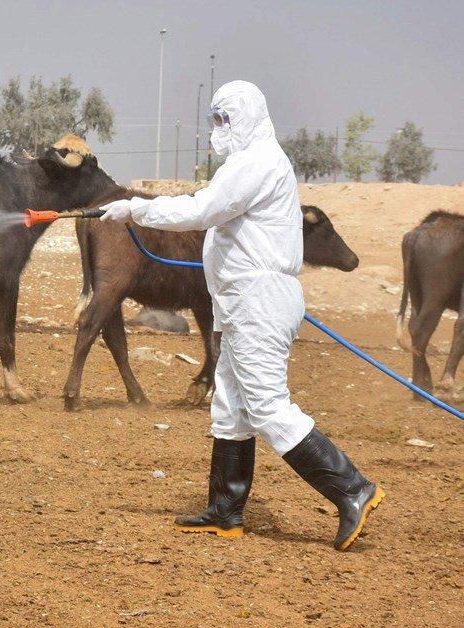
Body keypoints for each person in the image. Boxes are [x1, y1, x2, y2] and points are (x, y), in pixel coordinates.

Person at [99, 80, 383, 551]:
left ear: (249, 116)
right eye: (215, 119)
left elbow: (204, 208)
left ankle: (352, 488)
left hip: (259, 300)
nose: (218, 129)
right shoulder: (251, 163)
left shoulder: (258, 162)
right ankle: (225, 509)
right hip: (241, 300)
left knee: (268, 405)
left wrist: (135, 209)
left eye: (225, 119)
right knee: (231, 406)